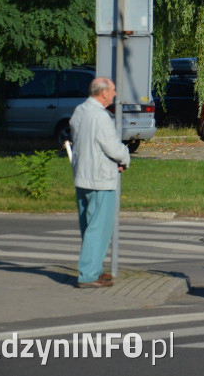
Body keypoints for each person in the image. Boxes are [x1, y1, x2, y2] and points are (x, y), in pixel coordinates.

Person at [69, 77, 130, 288]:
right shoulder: (101, 116)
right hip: (101, 178)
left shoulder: (79, 111)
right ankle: (88, 275)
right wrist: (125, 157)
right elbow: (112, 147)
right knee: (99, 229)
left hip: (82, 175)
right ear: (103, 93)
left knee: (88, 227)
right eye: (112, 90)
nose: (114, 94)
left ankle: (94, 269)